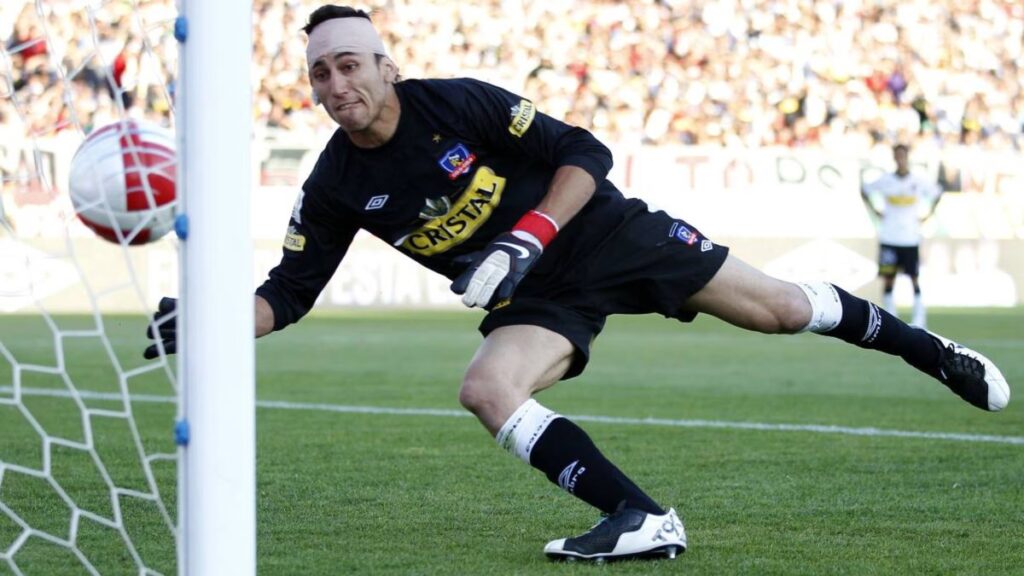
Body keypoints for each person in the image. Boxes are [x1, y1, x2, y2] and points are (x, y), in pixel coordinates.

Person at [144, 6, 1010, 562]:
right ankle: (641, 520)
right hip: (540, 298)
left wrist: (526, 237)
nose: (337, 84)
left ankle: (933, 352)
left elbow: (584, 154)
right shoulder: (334, 184)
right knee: (486, 388)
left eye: (349, 64)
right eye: (320, 74)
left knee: (783, 310)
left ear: (385, 65)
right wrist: (213, 319)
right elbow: (289, 292)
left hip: (605, 233)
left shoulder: (459, 102)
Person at [861, 143, 943, 328]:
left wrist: (928, 214)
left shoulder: (918, 181)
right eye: (897, 155)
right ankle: (890, 317)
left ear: (907, 157)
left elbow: (938, 192)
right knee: (889, 277)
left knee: (913, 277)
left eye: (903, 155)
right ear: (894, 158)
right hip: (889, 237)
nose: (900, 159)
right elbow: (864, 190)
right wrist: (875, 211)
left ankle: (919, 317)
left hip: (910, 237)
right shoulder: (885, 180)